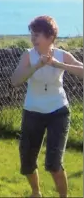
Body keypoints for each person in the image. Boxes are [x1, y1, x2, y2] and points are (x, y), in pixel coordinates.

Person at [11, 15, 83, 198]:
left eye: (37, 35)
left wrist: (57, 64)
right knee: (27, 160)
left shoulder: (61, 55)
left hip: (58, 112)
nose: (33, 39)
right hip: (32, 112)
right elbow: (15, 80)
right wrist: (36, 66)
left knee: (53, 163)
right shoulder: (28, 56)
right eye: (32, 35)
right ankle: (36, 193)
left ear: (50, 37)